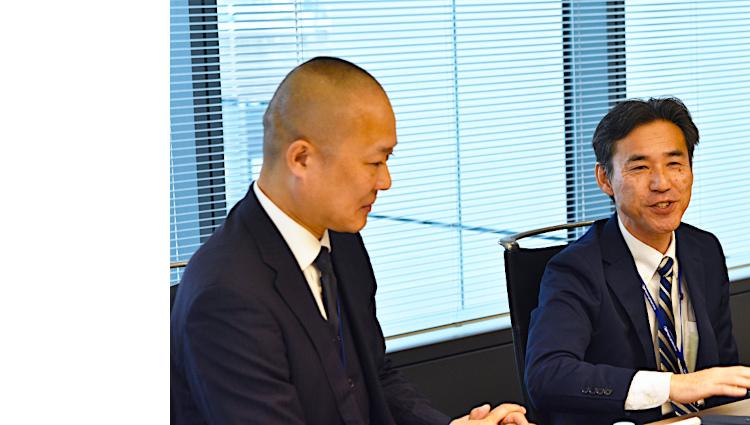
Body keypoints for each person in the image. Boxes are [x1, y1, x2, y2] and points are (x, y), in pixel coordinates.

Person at [171, 57, 531, 425]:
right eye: (374, 162)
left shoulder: (341, 241)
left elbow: (375, 378)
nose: (386, 181)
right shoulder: (226, 295)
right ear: (301, 158)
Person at [523, 98, 750, 424]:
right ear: (605, 179)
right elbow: (547, 375)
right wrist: (672, 387)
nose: (662, 183)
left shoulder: (704, 250)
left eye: (675, 164)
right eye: (640, 167)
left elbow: (723, 373)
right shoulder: (576, 269)